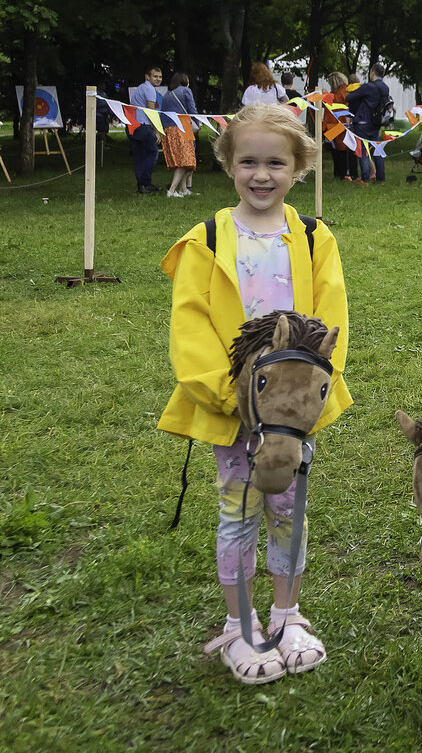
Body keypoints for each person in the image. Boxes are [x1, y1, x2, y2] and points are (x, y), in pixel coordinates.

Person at [157, 104, 352, 685]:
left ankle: (287, 614)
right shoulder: (206, 239)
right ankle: (239, 626)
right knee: (239, 513)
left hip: (291, 417)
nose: (261, 174)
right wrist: (230, 397)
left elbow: (331, 319)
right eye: (249, 162)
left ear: (299, 168)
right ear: (227, 164)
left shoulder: (315, 237)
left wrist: (306, 397)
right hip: (235, 414)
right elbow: (190, 326)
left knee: (290, 511)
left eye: (276, 163)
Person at [346, 63, 391, 183]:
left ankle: (365, 179)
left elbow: (349, 97)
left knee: (364, 151)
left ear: (372, 72)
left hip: (363, 122)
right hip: (376, 123)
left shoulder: (368, 87)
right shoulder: (385, 88)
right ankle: (381, 178)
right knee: (376, 150)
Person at [161, 72, 199, 197]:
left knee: (179, 160)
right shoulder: (186, 91)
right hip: (182, 127)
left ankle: (183, 189)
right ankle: (171, 190)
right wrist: (198, 123)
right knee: (184, 160)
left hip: (168, 129)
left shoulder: (166, 94)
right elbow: (192, 109)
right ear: (184, 81)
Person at [129, 65, 163, 193]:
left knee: (139, 156)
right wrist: (157, 130)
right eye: (155, 76)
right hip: (143, 126)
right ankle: (145, 183)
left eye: (160, 77)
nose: (158, 79)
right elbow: (151, 110)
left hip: (134, 125)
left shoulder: (141, 87)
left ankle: (141, 185)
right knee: (152, 153)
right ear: (147, 77)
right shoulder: (149, 89)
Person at [321, 72, 354, 181]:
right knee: (334, 149)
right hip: (333, 125)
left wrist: (324, 94)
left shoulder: (343, 91)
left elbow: (335, 99)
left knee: (341, 150)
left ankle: (343, 173)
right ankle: (338, 173)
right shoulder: (337, 92)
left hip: (339, 125)